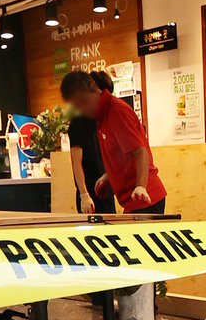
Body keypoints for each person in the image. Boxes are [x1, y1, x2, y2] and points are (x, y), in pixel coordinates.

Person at [60, 69, 166, 215]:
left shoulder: (116, 111)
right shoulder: (100, 118)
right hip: (131, 200)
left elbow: (141, 152)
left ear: (94, 88)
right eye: (78, 107)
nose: (83, 110)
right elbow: (122, 156)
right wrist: (108, 176)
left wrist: (141, 187)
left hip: (145, 198)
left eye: (84, 102)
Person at [66, 71, 114, 212]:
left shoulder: (105, 118)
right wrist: (83, 194)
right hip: (89, 193)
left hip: (106, 190)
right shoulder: (78, 120)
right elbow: (76, 162)